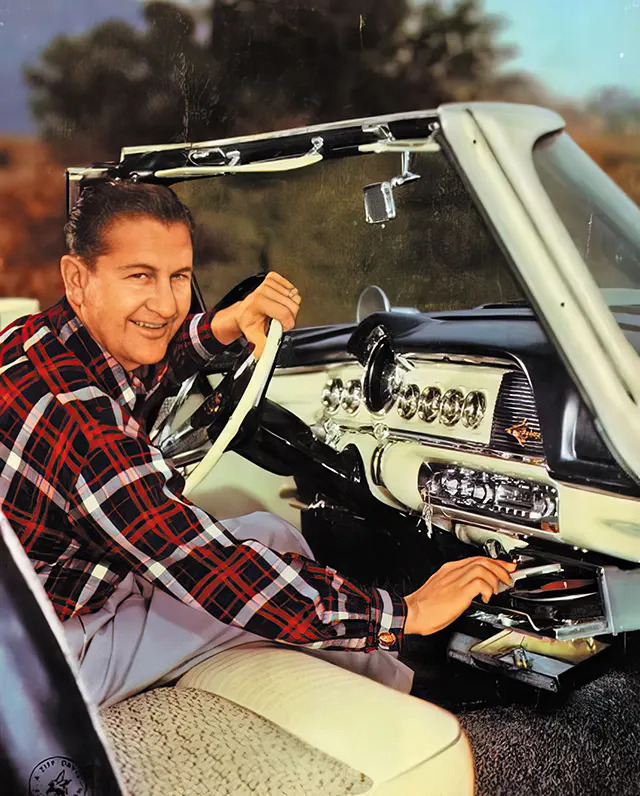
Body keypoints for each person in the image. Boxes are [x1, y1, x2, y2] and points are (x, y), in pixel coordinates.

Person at [0, 181, 515, 708]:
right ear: (76, 277)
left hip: (48, 598)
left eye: (178, 276)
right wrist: (407, 612)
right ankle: (414, 713)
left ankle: (387, 682)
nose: (165, 302)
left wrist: (223, 326)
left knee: (271, 532)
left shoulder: (37, 341)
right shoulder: (81, 425)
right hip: (46, 662)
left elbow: (141, 358)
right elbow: (209, 568)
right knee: (253, 584)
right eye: (139, 276)